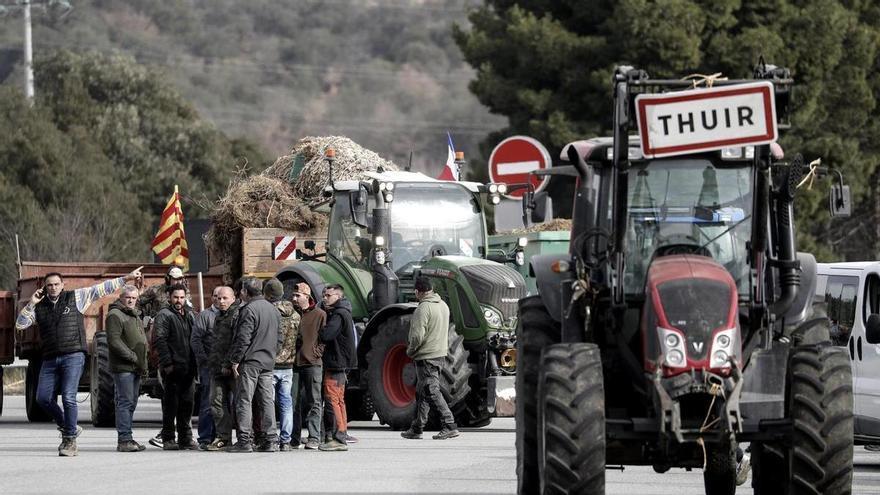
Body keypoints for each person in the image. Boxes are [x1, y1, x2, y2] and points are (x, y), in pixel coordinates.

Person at [14, 266, 143, 457]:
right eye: (49, 285)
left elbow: (103, 288)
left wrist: (127, 278)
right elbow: (20, 324)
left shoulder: (76, 297)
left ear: (63, 285)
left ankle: (69, 441)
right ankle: (69, 425)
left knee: (68, 396)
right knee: (42, 398)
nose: (53, 288)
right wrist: (32, 303)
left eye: (57, 284)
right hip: (49, 358)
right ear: (44, 287)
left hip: (73, 355)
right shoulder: (39, 307)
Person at [227, 277, 282, 453]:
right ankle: (271, 439)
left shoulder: (249, 309)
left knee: (244, 400)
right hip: (267, 361)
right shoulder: (273, 309)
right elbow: (279, 338)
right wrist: (272, 353)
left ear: (245, 291)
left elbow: (243, 338)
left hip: (250, 362)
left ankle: (244, 440)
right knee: (267, 401)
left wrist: (235, 360)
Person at [400, 276, 459, 440]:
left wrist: (410, 350)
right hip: (440, 354)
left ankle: (449, 424)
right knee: (422, 392)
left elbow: (418, 336)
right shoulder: (443, 306)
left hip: (426, 356)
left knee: (431, 391)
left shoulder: (423, 308)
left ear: (417, 292)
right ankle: (417, 427)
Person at [139, 264, 190, 449]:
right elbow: (139, 304)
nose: (176, 281)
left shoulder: (186, 296)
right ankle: (167, 436)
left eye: (179, 278)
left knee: (185, 400)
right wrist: (142, 319)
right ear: (167, 278)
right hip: (158, 332)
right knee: (170, 397)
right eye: (173, 278)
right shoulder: (155, 291)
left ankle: (184, 436)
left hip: (179, 349)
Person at [153, 284, 197, 450]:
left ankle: (185, 438)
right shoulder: (164, 315)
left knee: (187, 405)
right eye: (176, 297)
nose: (179, 301)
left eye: (181, 297)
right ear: (169, 297)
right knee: (171, 406)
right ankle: (168, 438)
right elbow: (160, 341)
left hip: (189, 368)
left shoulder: (189, 315)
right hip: (173, 368)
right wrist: (167, 364)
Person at [106, 284, 148, 452]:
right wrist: (131, 356)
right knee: (125, 402)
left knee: (131, 402)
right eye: (128, 297)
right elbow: (114, 340)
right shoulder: (115, 315)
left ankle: (128, 437)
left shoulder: (135, 315)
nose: (131, 300)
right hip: (124, 367)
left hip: (135, 367)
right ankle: (124, 439)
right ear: (121, 298)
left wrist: (142, 364)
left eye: (134, 298)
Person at [319, 284, 357, 451]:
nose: (325, 298)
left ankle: (337, 438)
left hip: (336, 363)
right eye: (324, 295)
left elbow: (327, 335)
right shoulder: (344, 312)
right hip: (341, 363)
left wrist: (319, 329)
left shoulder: (338, 314)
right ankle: (341, 433)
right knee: (339, 400)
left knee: (332, 400)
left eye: (328, 295)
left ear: (338, 296)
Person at [264, 278, 300, 451]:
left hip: (270, 364)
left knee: (268, 402)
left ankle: (270, 437)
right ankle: (286, 440)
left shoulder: (269, 312)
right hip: (289, 365)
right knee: (286, 403)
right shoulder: (295, 314)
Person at [291, 282, 326, 450]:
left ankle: (314, 437)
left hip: (312, 363)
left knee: (314, 401)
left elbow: (324, 337)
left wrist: (316, 352)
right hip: (293, 363)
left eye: (297, 295)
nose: (294, 298)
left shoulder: (319, 314)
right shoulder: (291, 313)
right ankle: (294, 438)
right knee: (293, 402)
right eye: (293, 295)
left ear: (307, 296)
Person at [205, 286, 238, 451]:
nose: (221, 301)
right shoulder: (219, 316)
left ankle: (245, 437)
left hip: (233, 369)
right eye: (218, 298)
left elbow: (238, 342)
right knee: (216, 402)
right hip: (216, 369)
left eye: (225, 298)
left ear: (233, 298)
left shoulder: (237, 315)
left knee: (240, 404)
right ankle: (223, 437)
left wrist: (228, 363)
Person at [190, 287, 222, 450]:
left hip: (225, 366)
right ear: (211, 298)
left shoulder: (230, 315)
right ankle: (205, 437)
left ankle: (221, 436)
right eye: (215, 296)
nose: (218, 299)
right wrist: (204, 360)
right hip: (209, 367)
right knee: (207, 402)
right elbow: (196, 340)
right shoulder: (205, 316)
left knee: (223, 402)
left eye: (222, 297)